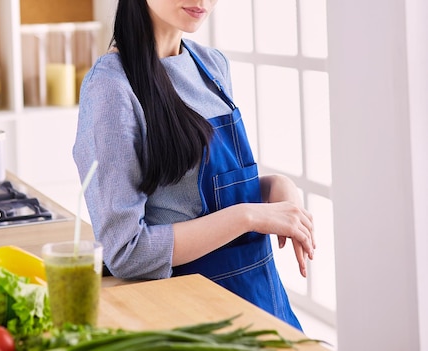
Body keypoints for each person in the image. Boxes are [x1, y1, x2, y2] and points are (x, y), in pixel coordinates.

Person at [72, 0, 315, 330]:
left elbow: (193, 199)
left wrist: (274, 187)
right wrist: (249, 216)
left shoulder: (212, 65)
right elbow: (127, 252)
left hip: (264, 304)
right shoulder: (110, 88)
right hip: (193, 320)